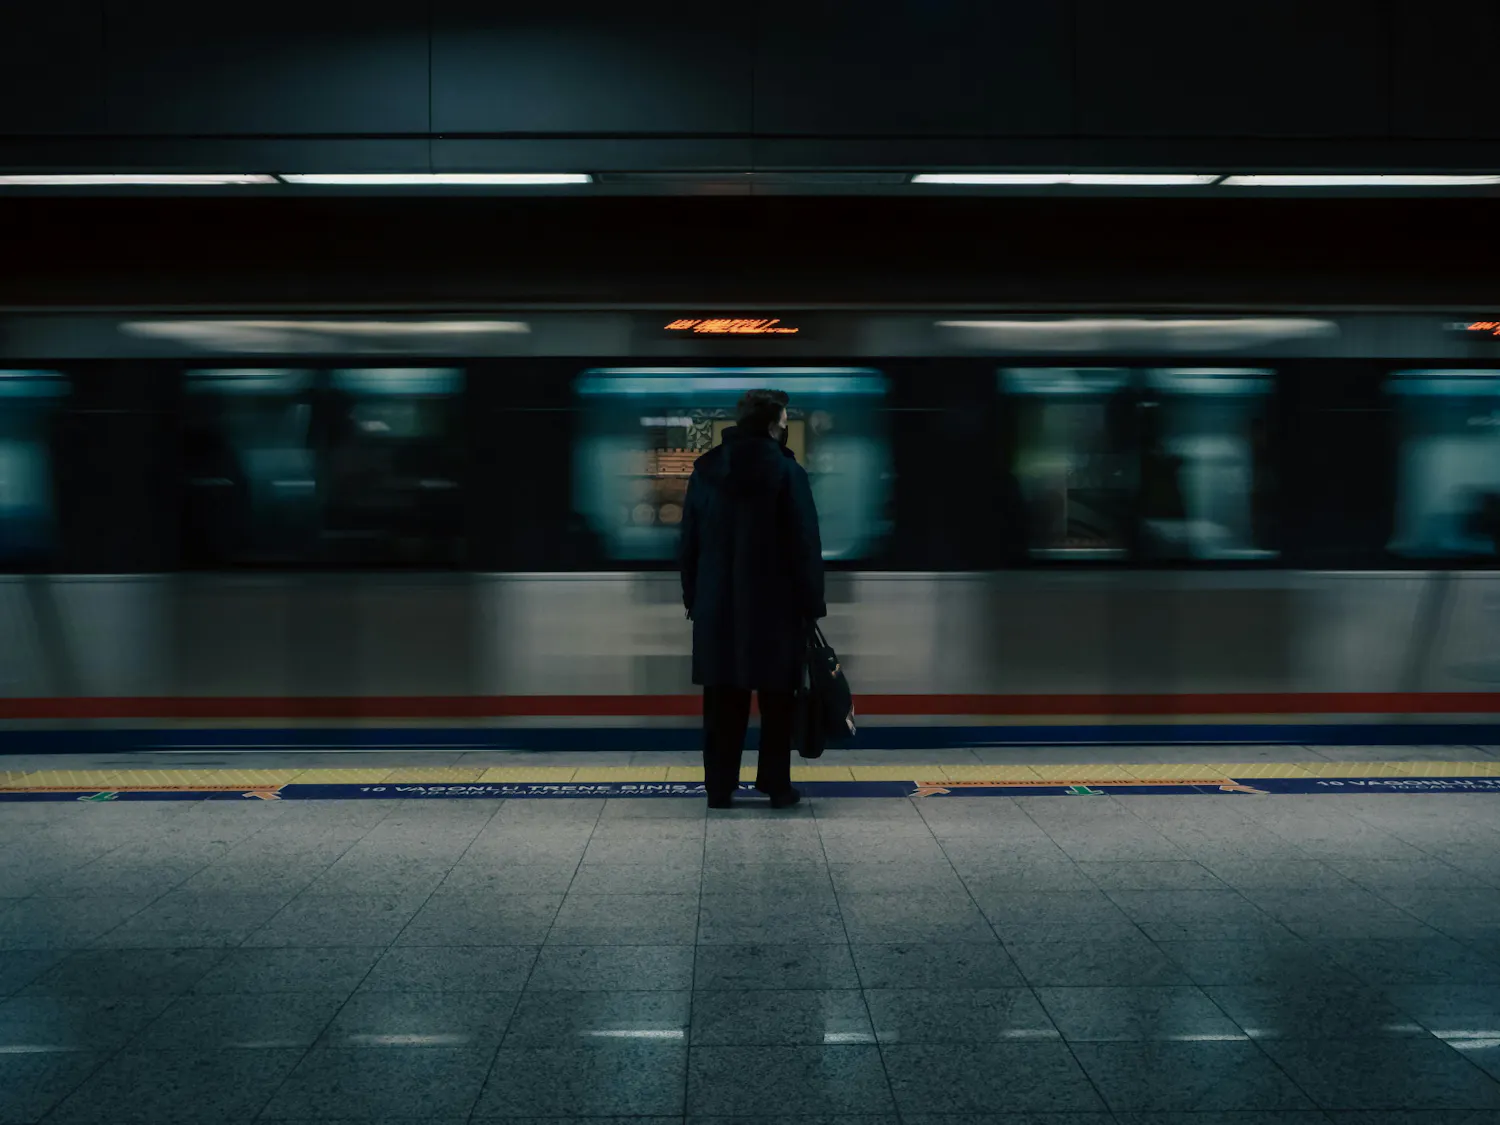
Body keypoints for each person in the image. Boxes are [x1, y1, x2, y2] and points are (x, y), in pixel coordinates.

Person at [679, 389, 826, 808]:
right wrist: (811, 606)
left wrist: (695, 598)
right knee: (779, 700)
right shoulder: (788, 473)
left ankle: (719, 788)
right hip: (777, 611)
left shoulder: (705, 471)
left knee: (722, 703)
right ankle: (775, 784)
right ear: (771, 424)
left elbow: (688, 542)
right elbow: (805, 545)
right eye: (783, 419)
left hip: (717, 608)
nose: (785, 426)